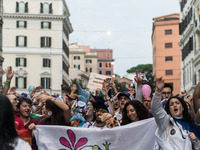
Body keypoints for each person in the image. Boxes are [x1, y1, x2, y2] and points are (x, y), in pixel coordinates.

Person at [151, 77, 200, 150]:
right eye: (171, 104)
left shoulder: (191, 125)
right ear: (169, 109)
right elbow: (156, 109)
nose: (174, 105)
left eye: (177, 103)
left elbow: (197, 147)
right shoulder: (165, 122)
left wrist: (196, 140)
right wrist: (158, 92)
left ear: (182, 107)